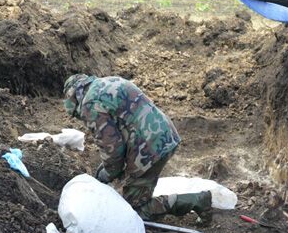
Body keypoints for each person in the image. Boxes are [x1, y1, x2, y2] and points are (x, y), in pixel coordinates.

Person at [63, 74, 212, 220]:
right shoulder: (109, 81)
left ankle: (197, 201)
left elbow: (112, 148)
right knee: (134, 189)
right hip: (165, 133)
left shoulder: (89, 105)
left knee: (133, 212)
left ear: (73, 97)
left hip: (147, 149)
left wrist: (107, 174)